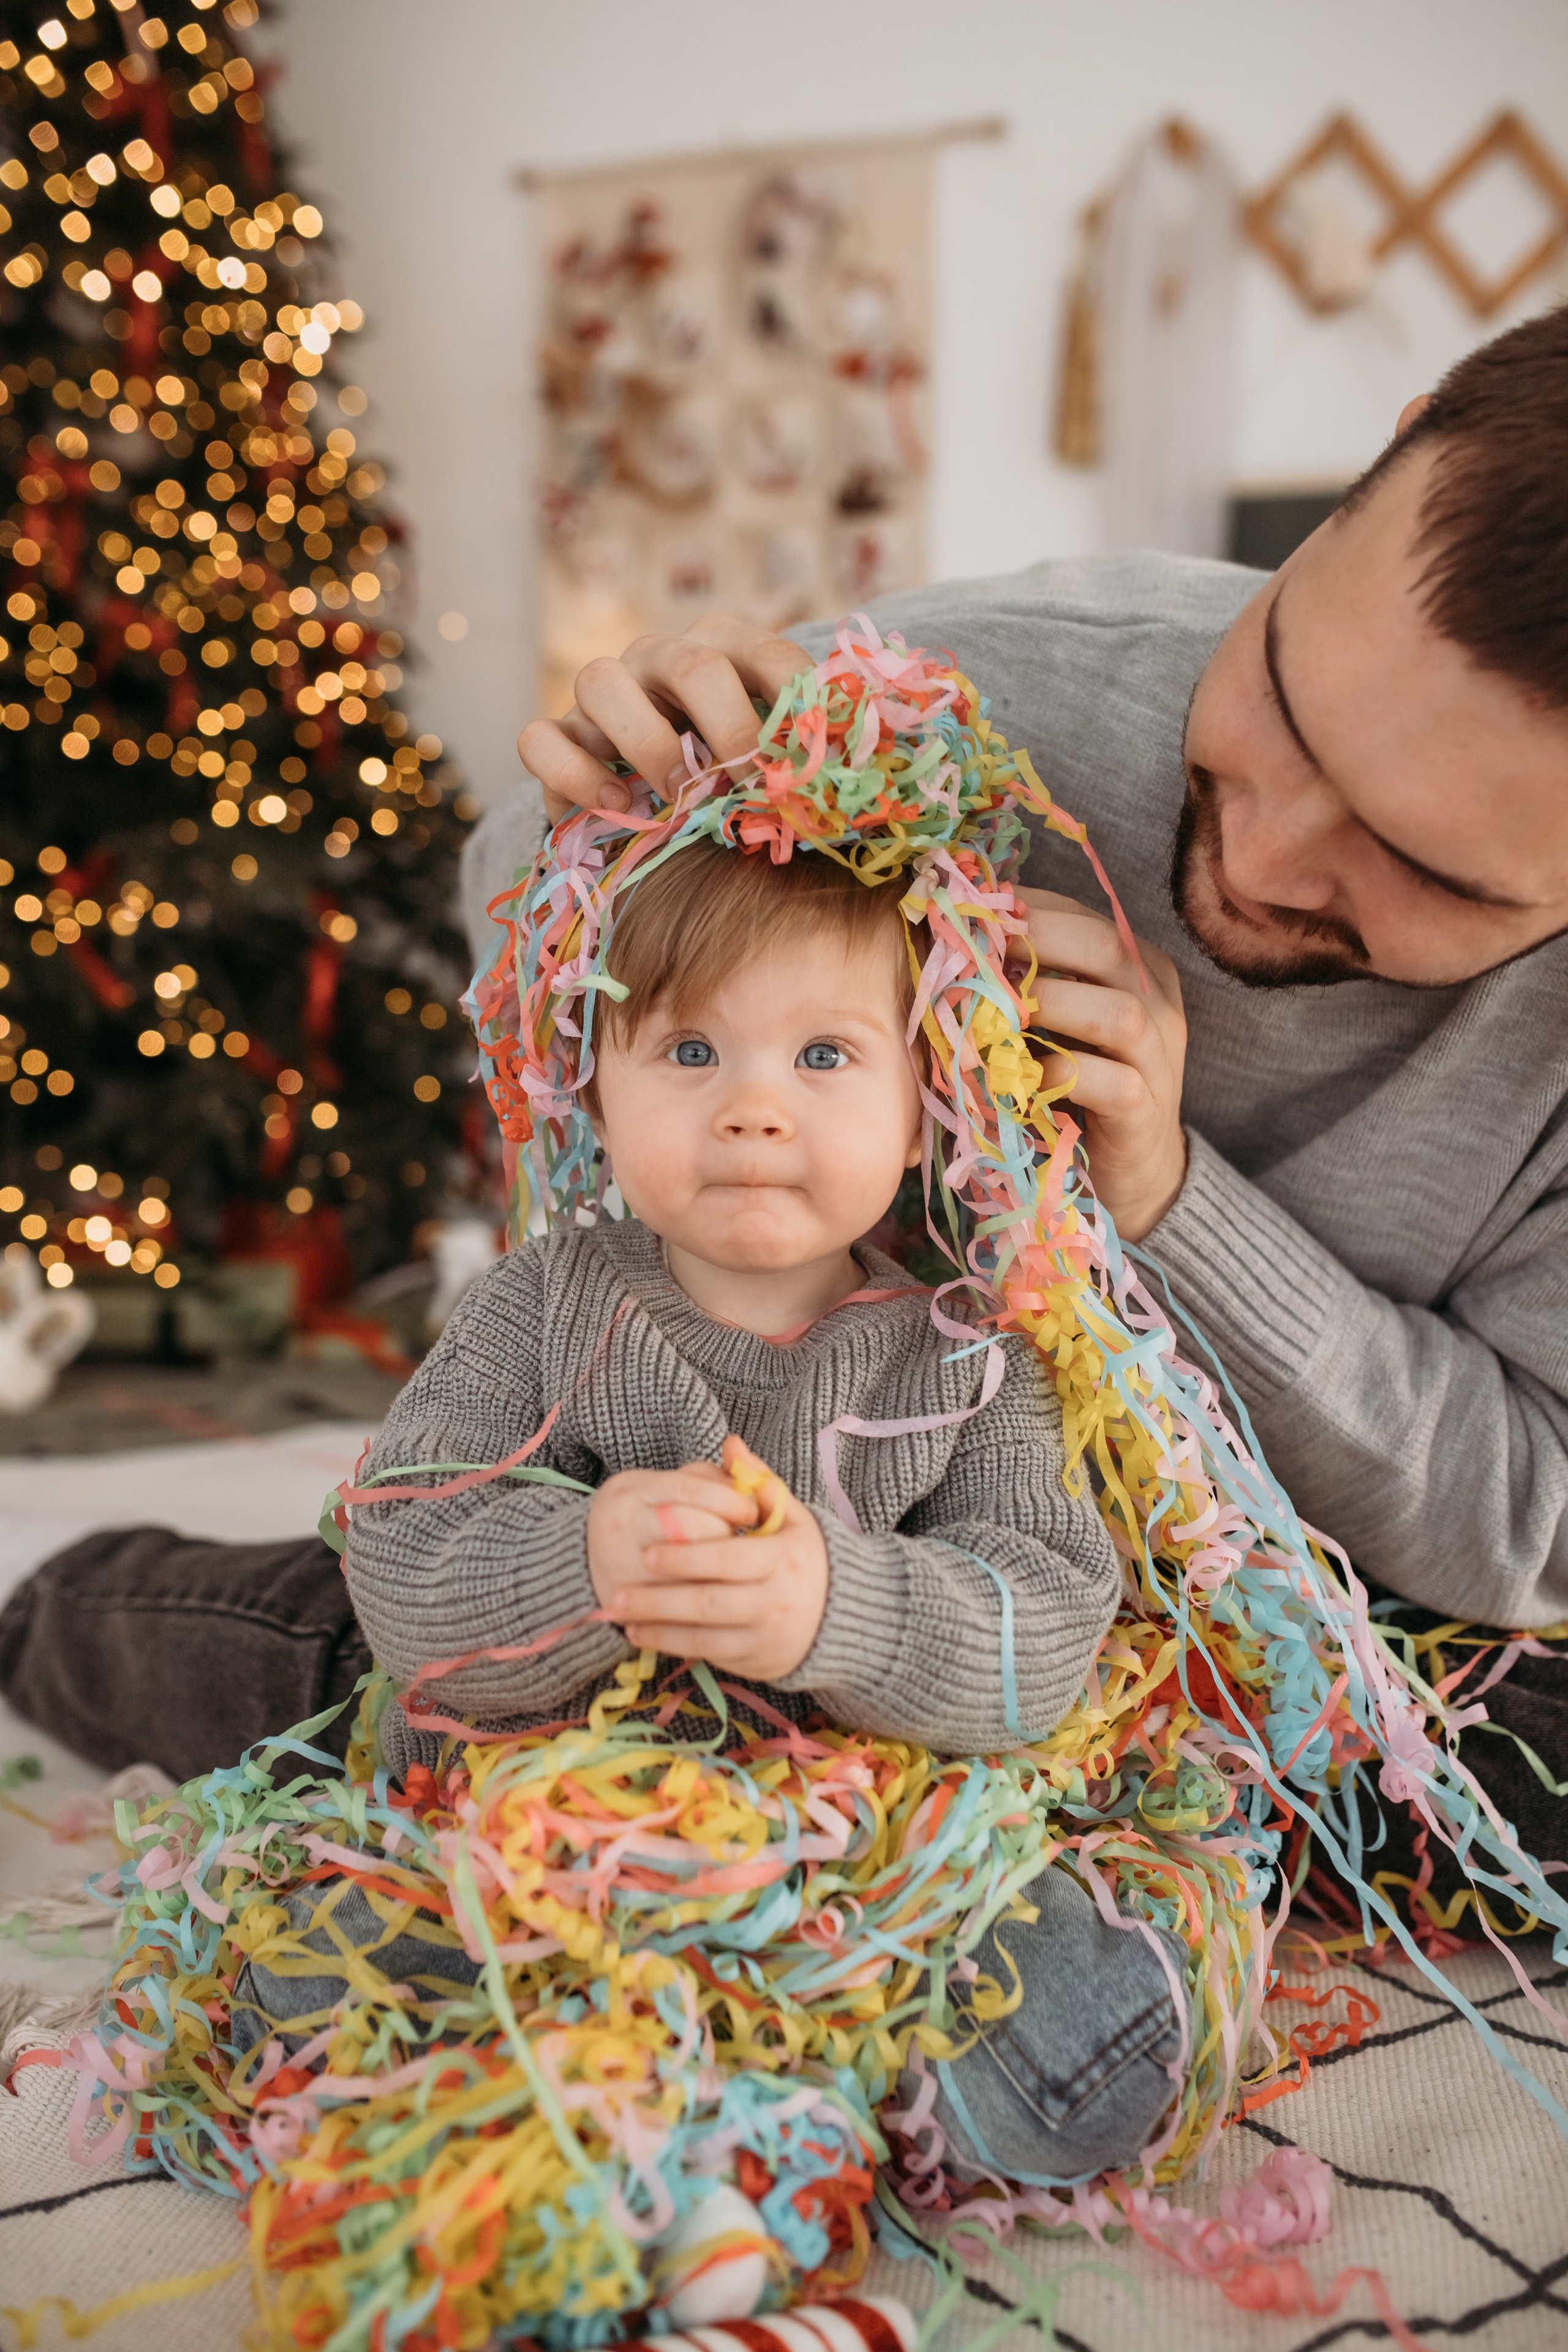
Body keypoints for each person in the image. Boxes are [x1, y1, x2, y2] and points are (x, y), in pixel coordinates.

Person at [2, 306, 1564, 1892]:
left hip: (1211, 1620)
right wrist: (613, 812)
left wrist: (1166, 1200)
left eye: (1427, 867)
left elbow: (1523, 1525)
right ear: (1395, 443)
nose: (1271, 856)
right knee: (403, 1663)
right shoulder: (956, 701)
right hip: (629, 1582)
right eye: (1285, 701)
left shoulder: (979, 1372)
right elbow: (557, 991)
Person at [227, 832, 1185, 2189]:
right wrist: (585, 1561)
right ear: (595, 1092)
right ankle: (659, 2087)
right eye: (687, 1054)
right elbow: (403, 1546)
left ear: (926, 1108)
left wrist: (832, 1610)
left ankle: (750, 2082)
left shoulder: (970, 1353)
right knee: (314, 1981)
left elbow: (1046, 1629)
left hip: (874, 1854)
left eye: (823, 1057)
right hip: (566, 1831)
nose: (750, 1109)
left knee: (1084, 2037)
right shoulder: (544, 1303)